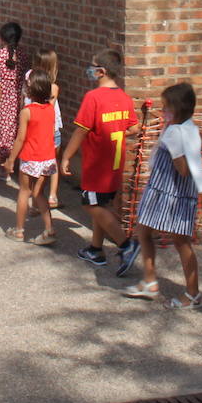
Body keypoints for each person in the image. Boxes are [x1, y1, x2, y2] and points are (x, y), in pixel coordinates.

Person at [126, 82, 202, 308]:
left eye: (166, 108)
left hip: (170, 191)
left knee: (180, 241)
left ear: (177, 109)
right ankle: (150, 279)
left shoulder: (176, 132)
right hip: (167, 190)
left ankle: (192, 293)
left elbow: (183, 168)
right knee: (144, 229)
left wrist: (177, 155)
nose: (162, 113)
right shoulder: (187, 127)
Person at [60, 49, 142, 277]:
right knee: (102, 207)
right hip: (115, 164)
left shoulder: (93, 98)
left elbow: (80, 131)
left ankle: (126, 245)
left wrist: (66, 156)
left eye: (92, 65)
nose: (90, 68)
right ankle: (96, 249)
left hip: (97, 165)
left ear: (101, 71)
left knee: (91, 205)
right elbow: (134, 127)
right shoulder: (124, 98)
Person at [1, 69, 60, 245]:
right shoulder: (50, 108)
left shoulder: (27, 111)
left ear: (31, 89)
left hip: (31, 157)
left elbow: (20, 138)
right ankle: (49, 229)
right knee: (39, 193)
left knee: (24, 192)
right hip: (47, 157)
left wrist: (11, 159)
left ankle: (19, 230)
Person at [30, 48, 64, 208]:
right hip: (51, 129)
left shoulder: (30, 81)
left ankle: (39, 198)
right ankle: (52, 195)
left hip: (39, 129)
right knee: (52, 164)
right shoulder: (53, 87)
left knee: (38, 167)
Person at [0, 22, 28, 166]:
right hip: (18, 99)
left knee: (0, 131)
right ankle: (11, 162)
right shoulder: (23, 56)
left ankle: (0, 163)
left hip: (1, 99)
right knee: (14, 131)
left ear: (1, 38)